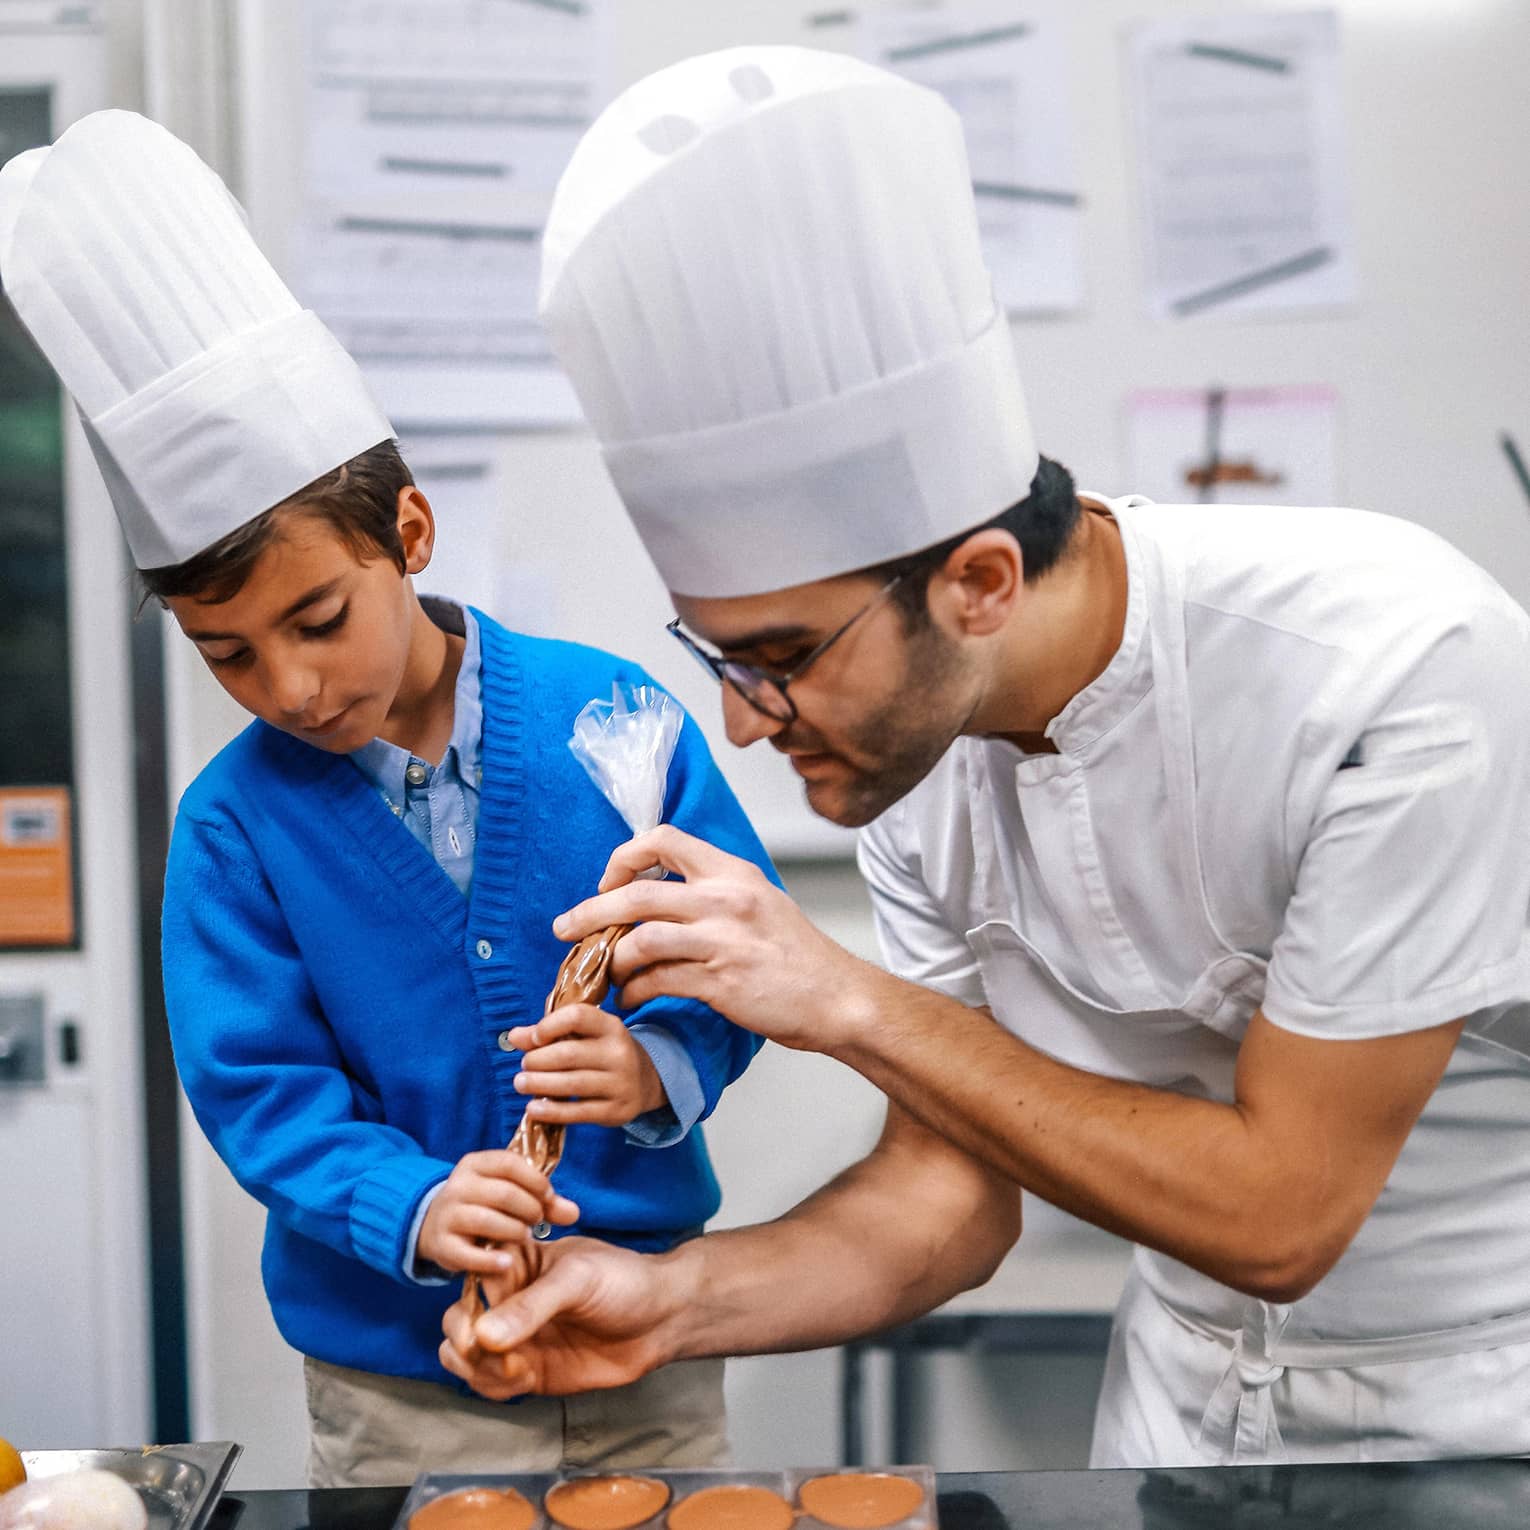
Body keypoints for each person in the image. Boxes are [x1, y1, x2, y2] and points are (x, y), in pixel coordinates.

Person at [439, 46, 1530, 1469]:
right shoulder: (922, 761)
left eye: (780, 656)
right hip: (1178, 1426)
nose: (743, 723)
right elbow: (944, 1198)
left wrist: (841, 996)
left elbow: (1282, 1213)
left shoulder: (1398, 667)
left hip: (1471, 1420)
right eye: (719, 658)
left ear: (977, 582)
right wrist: (663, 1303)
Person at [0, 110, 772, 1484]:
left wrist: (660, 1063)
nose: (288, 686)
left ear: (407, 534)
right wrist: (410, 1202)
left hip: (643, 1329)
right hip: (397, 1386)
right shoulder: (234, 831)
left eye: (316, 617)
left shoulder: (616, 723)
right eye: (226, 652)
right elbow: (260, 1092)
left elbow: (736, 953)